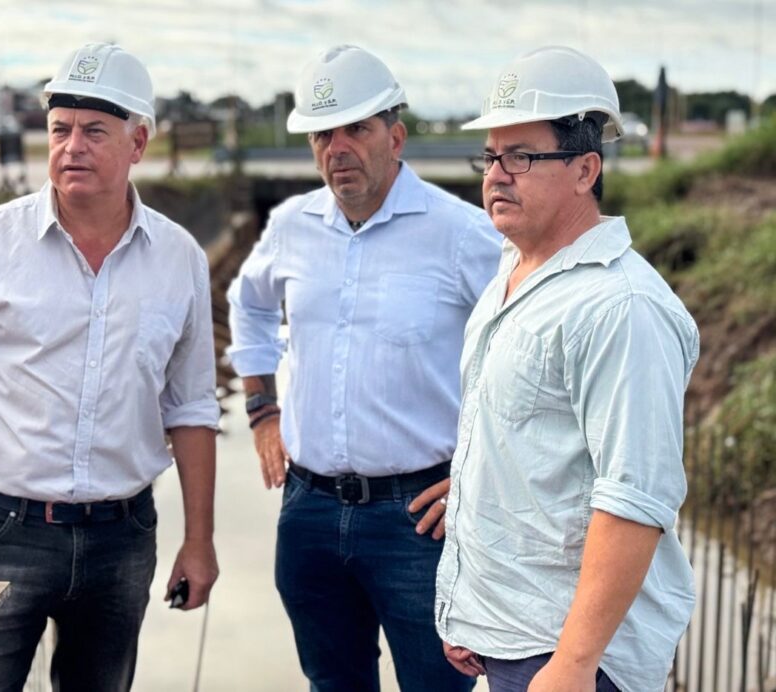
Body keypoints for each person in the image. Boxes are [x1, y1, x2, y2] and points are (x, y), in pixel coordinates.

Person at [0, 42, 219, 691]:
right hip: (0, 532)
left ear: (138, 142)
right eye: (60, 130)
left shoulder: (179, 257)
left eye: (94, 131)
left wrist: (199, 540)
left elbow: (190, 406)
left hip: (122, 538)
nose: (72, 147)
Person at [226, 44, 502, 692]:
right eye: (323, 134)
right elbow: (248, 305)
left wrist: (484, 477)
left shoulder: (464, 234)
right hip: (309, 514)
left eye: (357, 128)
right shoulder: (291, 227)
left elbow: (523, 357)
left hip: (420, 522)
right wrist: (262, 412)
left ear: (395, 137)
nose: (338, 147)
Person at [435, 46, 698, 692]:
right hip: (512, 633)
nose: (497, 175)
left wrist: (575, 664)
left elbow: (634, 498)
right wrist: (470, 593)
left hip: (569, 657)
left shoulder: (622, 307)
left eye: (521, 157)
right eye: (490, 157)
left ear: (585, 170)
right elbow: (523, 441)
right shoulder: (517, 269)